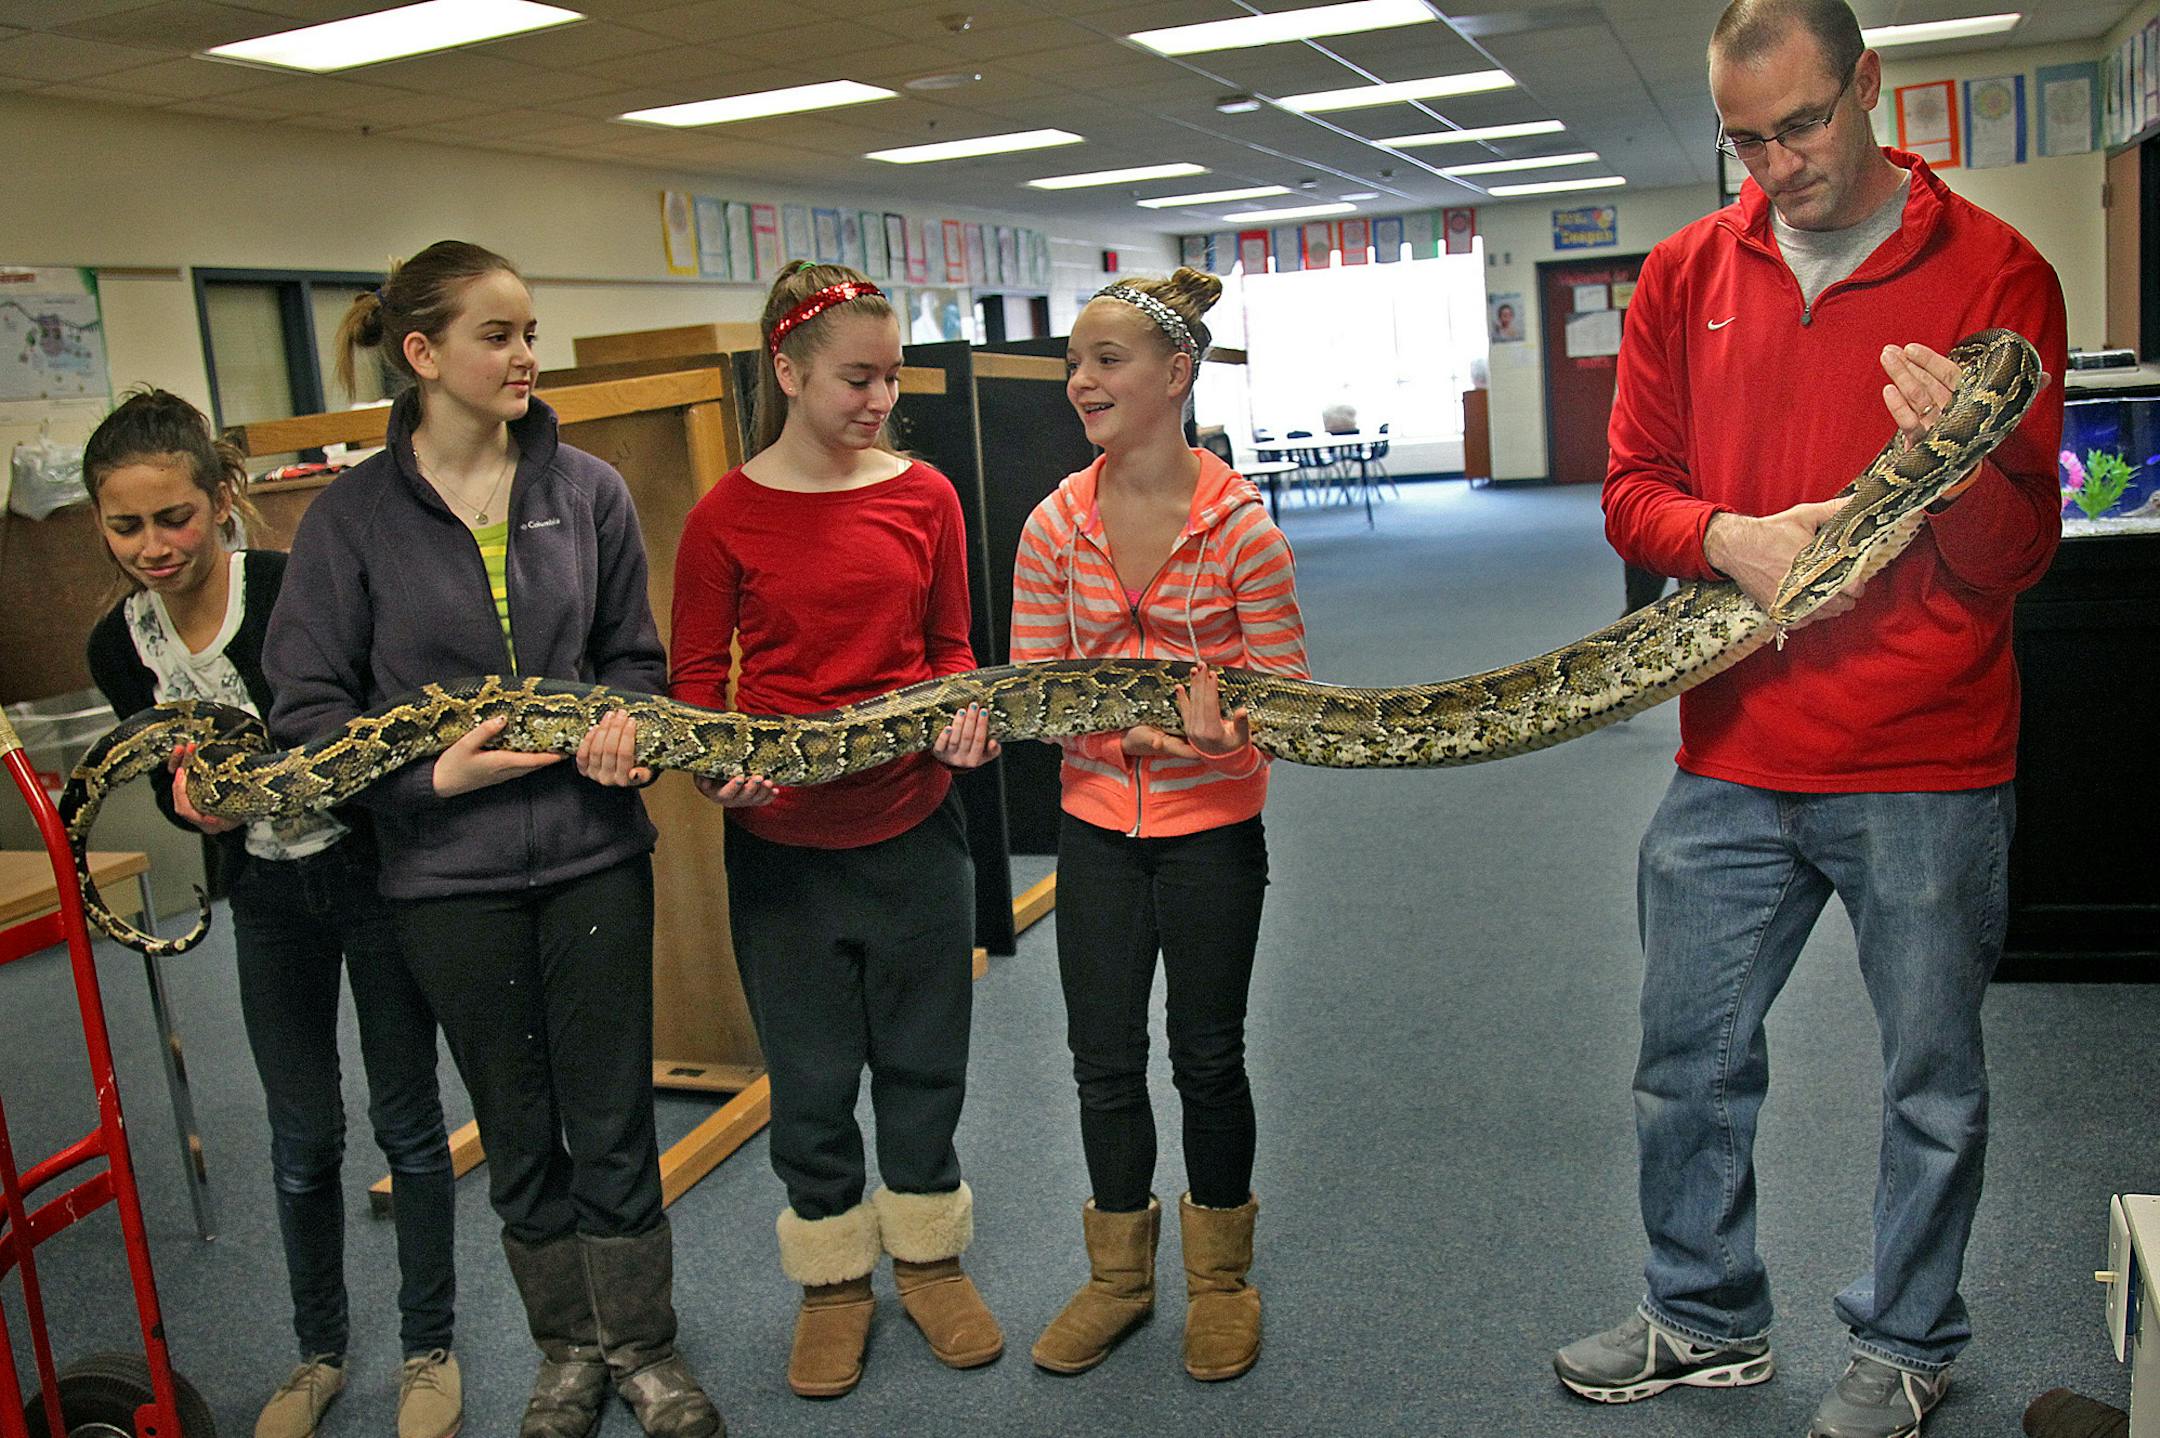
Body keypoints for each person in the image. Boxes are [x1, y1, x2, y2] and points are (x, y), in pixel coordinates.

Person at [1553, 4, 2067, 1436]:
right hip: (1732, 751)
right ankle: (1703, 1316)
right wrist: (1726, 537)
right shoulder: (1682, 273)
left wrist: (1959, 464)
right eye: (1746, 139)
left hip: (1928, 758)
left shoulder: (1997, 274)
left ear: (1870, 89)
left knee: (1930, 1083)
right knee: (1684, 1062)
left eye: (1806, 126)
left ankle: (1907, 1337)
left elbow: (2026, 552)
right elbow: (1630, 491)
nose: (1780, 166)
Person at [265, 240, 722, 1438]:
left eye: (530, 331)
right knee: (516, 1126)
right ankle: (568, 1350)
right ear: (422, 355)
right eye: (498, 334)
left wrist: (627, 724)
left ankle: (647, 1350)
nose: (526, 355)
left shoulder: (590, 490)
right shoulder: (348, 520)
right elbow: (309, 715)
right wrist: (430, 775)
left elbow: (633, 659)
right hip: (441, 876)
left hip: (593, 855)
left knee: (614, 1116)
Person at [81, 389, 460, 1438]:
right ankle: (318, 1353)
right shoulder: (119, 648)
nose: (153, 545)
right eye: (126, 524)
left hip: (370, 874)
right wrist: (185, 800)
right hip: (264, 895)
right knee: (300, 1138)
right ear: (100, 525)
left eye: (175, 517)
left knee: (409, 1123)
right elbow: (164, 773)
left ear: (221, 499)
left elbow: (373, 730)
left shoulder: (297, 587)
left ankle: (429, 1346)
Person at [669, 260, 1004, 1399]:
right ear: (788, 368)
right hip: (784, 856)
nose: (878, 399)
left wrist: (965, 721)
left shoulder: (927, 496)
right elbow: (691, 691)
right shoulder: (725, 515)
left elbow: (955, 650)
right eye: (856, 377)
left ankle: (930, 1255)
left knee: (924, 1063)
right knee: (812, 1081)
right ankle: (831, 1280)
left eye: (891, 375)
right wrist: (724, 778)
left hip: (916, 829)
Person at [1013, 270, 1309, 1383]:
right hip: (1095, 826)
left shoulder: (1243, 532)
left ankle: (1222, 1278)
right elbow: (1039, 692)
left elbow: (1287, 705)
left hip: (1211, 830)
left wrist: (1207, 743)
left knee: (1206, 1052)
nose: (1082, 380)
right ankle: (1120, 1276)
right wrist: (1116, 731)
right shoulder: (1053, 526)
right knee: (1101, 1056)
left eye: (1107, 359)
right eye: (1075, 362)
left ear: (1175, 376)